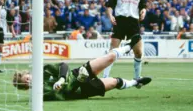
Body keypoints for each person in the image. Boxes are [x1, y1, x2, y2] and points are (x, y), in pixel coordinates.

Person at [12, 38, 151, 101]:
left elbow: (63, 65)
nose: (29, 81)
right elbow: (67, 93)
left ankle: (128, 46)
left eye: (27, 78)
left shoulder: (44, 71)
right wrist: (78, 81)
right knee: (115, 82)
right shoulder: (40, 95)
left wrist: (61, 78)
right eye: (26, 83)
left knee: (109, 57)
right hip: (83, 90)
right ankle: (135, 82)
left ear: (29, 74)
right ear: (26, 88)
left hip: (78, 73)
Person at [102, 0, 146, 80]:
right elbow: (110, 6)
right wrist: (111, 15)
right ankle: (105, 77)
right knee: (113, 50)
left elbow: (143, 7)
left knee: (139, 52)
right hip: (120, 22)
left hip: (133, 23)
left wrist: (143, 12)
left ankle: (137, 78)